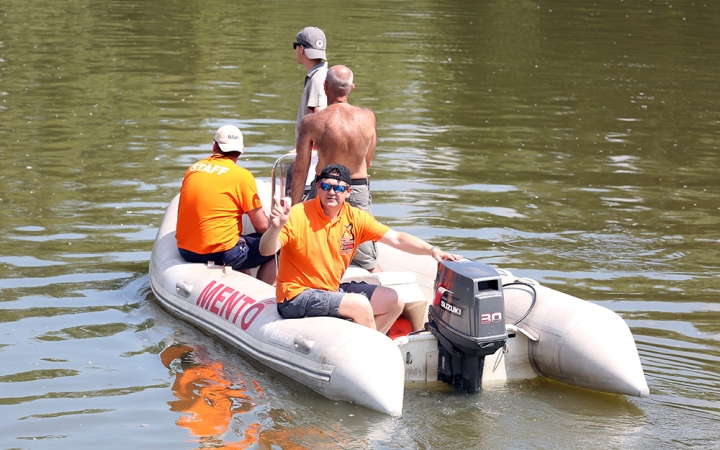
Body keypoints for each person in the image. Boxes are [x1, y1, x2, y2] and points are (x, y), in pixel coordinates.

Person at [259, 164, 463, 334]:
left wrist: (432, 250)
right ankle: (373, 356)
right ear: (318, 188)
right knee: (360, 304)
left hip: (330, 290)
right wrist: (275, 227)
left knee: (393, 300)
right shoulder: (297, 214)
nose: (332, 192)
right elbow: (267, 250)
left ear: (348, 192)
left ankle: (362, 352)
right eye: (326, 186)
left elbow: (397, 238)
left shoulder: (355, 218)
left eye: (339, 189)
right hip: (296, 296)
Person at [291, 65, 380, 271]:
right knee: (368, 261)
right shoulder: (368, 118)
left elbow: (300, 171)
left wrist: (295, 211)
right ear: (351, 88)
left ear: (324, 86)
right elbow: (368, 162)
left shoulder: (312, 122)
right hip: (356, 189)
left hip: (324, 190)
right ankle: (387, 296)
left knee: (309, 248)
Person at [176, 125, 275, 284]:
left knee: (238, 240)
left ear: (214, 146)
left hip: (186, 251)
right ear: (241, 150)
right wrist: (278, 228)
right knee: (279, 244)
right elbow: (262, 226)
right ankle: (260, 295)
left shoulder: (193, 169)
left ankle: (242, 281)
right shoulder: (242, 177)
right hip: (221, 254)